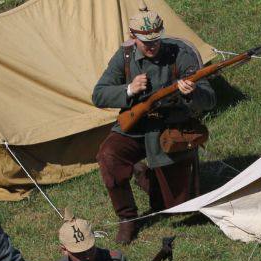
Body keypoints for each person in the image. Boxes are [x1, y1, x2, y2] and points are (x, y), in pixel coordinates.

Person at [92, 6, 216, 244]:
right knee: (108, 155)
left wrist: (192, 93)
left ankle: (144, 176)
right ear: (132, 37)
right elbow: (98, 94)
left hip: (170, 130)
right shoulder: (124, 57)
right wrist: (129, 90)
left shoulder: (181, 54)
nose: (152, 46)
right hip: (136, 127)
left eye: (156, 40)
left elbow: (209, 99)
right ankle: (127, 218)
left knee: (175, 208)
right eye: (146, 42)